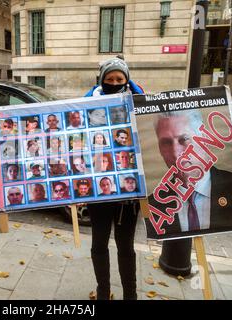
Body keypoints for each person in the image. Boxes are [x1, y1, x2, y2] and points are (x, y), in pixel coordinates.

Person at [85, 55, 144, 300]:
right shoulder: (87, 105)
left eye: (120, 78)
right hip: (99, 190)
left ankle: (130, 294)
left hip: (128, 195)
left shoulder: (140, 105)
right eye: (109, 78)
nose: (115, 81)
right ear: (101, 80)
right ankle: (103, 292)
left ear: (127, 80)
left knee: (126, 246)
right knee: (99, 244)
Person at [146, 110, 232, 236]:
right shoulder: (153, 206)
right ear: (159, 149)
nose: (175, 152)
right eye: (166, 142)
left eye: (184, 139)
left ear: (203, 140)